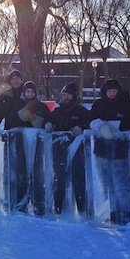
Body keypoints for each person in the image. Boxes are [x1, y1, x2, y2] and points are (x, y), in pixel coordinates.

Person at [89, 79, 130, 225]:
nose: (112, 93)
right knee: (105, 182)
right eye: (109, 91)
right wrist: (100, 126)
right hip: (101, 151)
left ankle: (126, 212)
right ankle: (110, 210)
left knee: (121, 183)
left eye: (114, 91)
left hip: (121, 151)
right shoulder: (98, 104)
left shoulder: (127, 104)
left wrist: (117, 126)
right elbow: (90, 119)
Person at [44, 82, 91, 214]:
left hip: (78, 152)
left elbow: (91, 122)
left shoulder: (82, 111)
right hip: (59, 151)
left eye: (69, 94)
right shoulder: (57, 111)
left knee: (78, 181)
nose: (66, 97)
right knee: (59, 180)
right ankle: (59, 210)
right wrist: (48, 124)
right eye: (64, 94)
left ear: (74, 96)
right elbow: (48, 120)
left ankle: (82, 211)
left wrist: (81, 126)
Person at [6, 81, 52, 215]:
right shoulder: (17, 105)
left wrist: (47, 124)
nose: (30, 94)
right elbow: (11, 121)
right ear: (24, 92)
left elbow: (48, 119)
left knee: (38, 175)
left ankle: (39, 205)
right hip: (20, 144)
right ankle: (21, 204)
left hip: (38, 145)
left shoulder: (41, 106)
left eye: (32, 92)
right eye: (27, 91)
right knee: (21, 174)